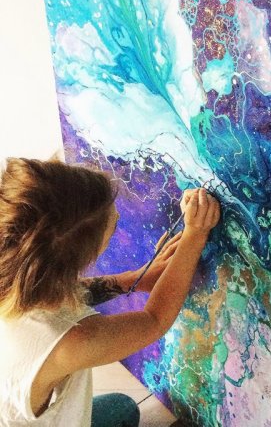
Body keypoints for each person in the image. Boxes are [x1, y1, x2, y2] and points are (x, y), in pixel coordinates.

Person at [0, 157, 220, 426]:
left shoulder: (15, 273)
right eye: (114, 226)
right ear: (86, 257)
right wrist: (195, 235)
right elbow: (154, 320)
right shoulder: (68, 343)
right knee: (128, 412)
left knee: (122, 407)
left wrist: (132, 280)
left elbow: (67, 293)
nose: (116, 217)